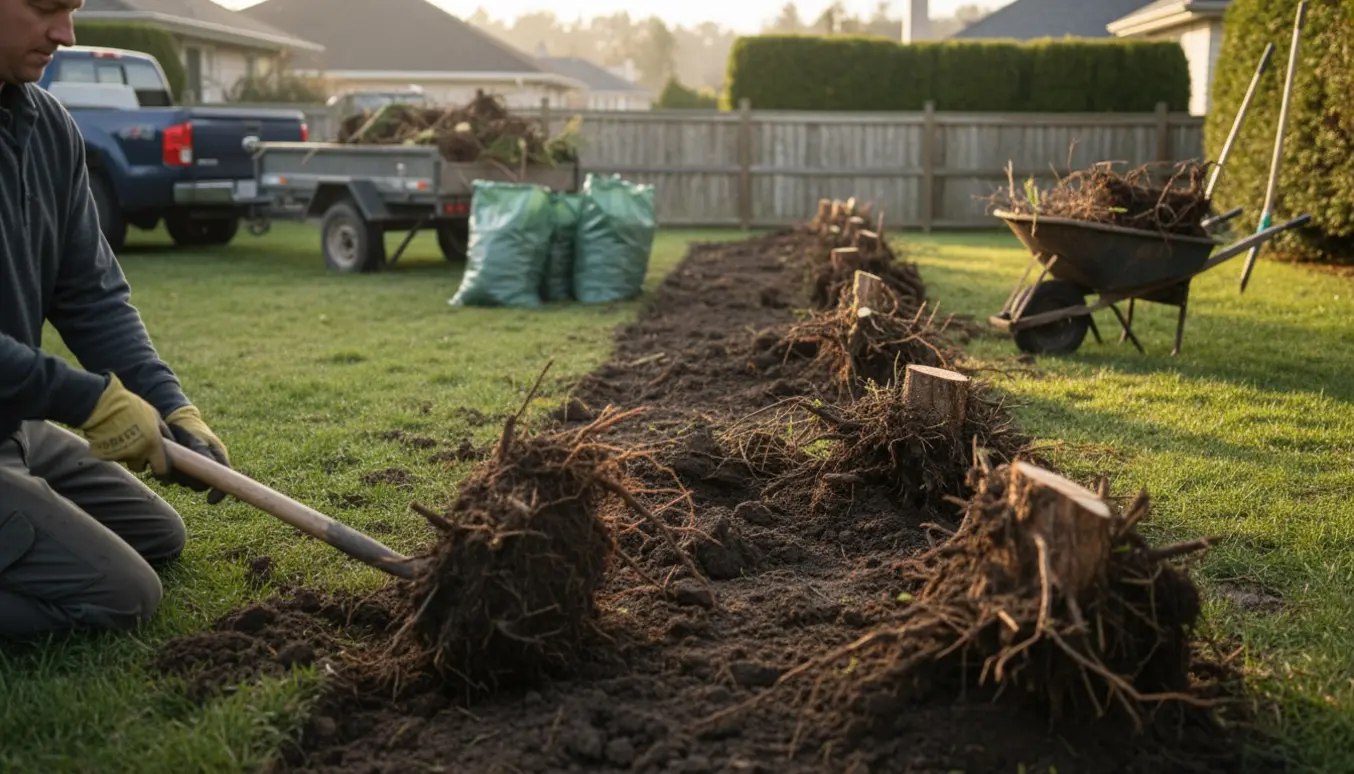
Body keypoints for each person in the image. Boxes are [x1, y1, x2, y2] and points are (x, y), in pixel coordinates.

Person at [1, 0, 232, 640]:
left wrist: (169, 404)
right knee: (123, 595)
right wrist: (90, 400)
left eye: (71, 10)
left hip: (12, 422)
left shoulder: (45, 126)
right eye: (46, 8)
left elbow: (91, 293)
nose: (65, 34)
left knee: (160, 534)